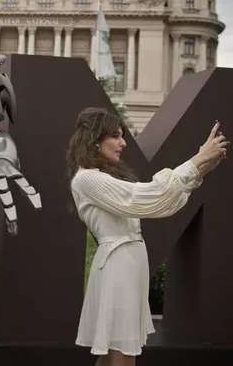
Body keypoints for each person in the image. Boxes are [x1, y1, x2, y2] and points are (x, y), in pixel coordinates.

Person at [65, 107, 228, 366]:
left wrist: (202, 167)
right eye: (116, 136)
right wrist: (197, 159)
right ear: (95, 140)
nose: (123, 143)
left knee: (113, 350)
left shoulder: (101, 178)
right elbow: (147, 195)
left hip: (126, 264)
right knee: (122, 349)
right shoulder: (87, 179)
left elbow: (160, 202)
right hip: (118, 266)